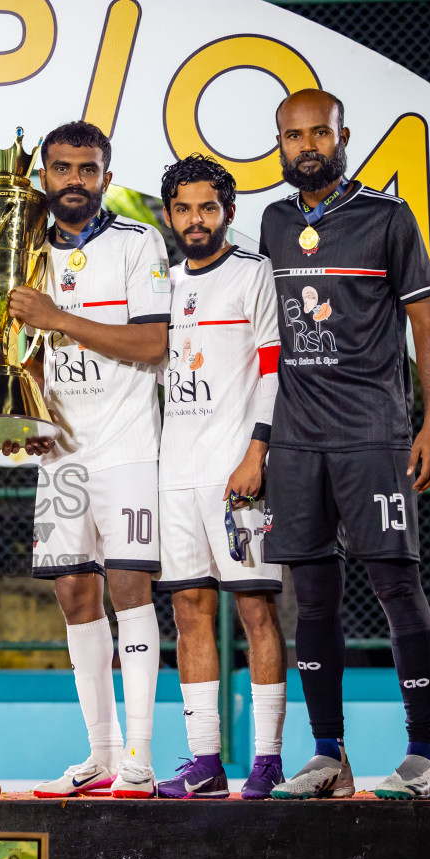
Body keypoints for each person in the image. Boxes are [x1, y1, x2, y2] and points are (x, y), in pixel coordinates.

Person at [258, 88, 430, 800]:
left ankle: (424, 756)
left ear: (343, 136)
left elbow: (426, 324)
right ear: (278, 143)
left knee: (398, 585)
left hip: (374, 433)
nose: (305, 146)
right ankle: (328, 758)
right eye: (292, 135)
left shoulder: (388, 217)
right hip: (298, 441)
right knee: (311, 601)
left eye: (318, 133)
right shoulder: (274, 222)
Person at [4, 121, 171, 798]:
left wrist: (57, 315)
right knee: (73, 592)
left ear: (107, 173)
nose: (75, 179)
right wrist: (30, 412)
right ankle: (100, 754)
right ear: (43, 173)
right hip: (62, 455)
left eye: (88, 168)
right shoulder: (19, 251)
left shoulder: (138, 242)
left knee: (130, 591)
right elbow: (22, 349)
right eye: (63, 167)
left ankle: (139, 757)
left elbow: (153, 345)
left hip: (126, 448)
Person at [150, 154, 287, 800]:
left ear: (228, 212)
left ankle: (267, 759)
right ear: (170, 214)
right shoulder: (161, 285)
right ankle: (204, 763)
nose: (195, 219)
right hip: (175, 473)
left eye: (208, 207)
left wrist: (257, 451)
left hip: (238, 470)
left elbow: (273, 369)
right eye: (183, 208)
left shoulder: (254, 274)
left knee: (257, 608)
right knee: (189, 611)